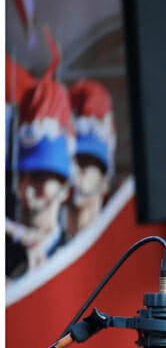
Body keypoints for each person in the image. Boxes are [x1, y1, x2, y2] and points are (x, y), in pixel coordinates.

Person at [6, 76, 74, 279]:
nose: (26, 190)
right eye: (22, 177)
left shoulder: (73, 256)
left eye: (39, 178)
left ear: (65, 189)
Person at [67, 79, 116, 237]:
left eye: (84, 161)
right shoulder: (43, 255)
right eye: (68, 161)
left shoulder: (122, 252)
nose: (73, 171)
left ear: (105, 182)